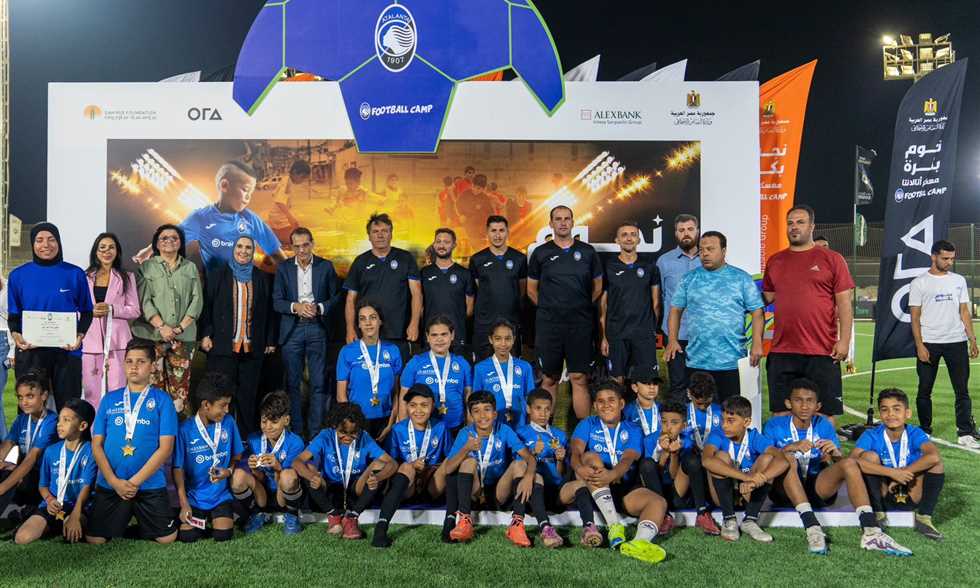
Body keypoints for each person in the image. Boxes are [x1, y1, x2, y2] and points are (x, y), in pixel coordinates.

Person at [764, 378, 912, 556]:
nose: (804, 406)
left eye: (810, 401)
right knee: (787, 458)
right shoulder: (774, 425)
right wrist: (790, 447)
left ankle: (871, 531)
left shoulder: (823, 425)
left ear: (818, 406)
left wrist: (835, 453)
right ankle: (812, 528)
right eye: (798, 400)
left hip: (817, 487)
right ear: (788, 403)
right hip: (783, 491)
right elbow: (765, 459)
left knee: (849, 463)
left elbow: (840, 462)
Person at [763, 205, 854, 422]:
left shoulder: (832, 259)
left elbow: (844, 304)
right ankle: (784, 446)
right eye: (790, 223)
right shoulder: (775, 261)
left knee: (825, 412)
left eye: (800, 222)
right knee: (781, 412)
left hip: (822, 349)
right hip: (783, 350)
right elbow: (766, 297)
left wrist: (844, 341)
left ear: (812, 226)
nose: (794, 227)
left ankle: (824, 447)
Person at [86, 340, 179, 544]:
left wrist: (134, 483)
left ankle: (135, 518)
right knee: (95, 540)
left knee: (167, 538)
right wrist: (114, 482)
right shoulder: (109, 400)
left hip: (148, 484)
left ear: (152, 366)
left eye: (141, 361)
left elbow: (166, 449)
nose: (134, 367)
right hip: (112, 483)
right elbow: (96, 445)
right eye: (129, 361)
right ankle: (120, 515)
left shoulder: (163, 400)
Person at [568, 381, 668, 564]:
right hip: (595, 487)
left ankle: (639, 543)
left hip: (624, 489)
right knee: (590, 457)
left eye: (611, 400)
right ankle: (614, 526)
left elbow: (628, 458)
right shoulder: (587, 424)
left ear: (621, 404)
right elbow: (575, 452)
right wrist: (580, 468)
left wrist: (612, 475)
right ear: (595, 406)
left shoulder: (633, 429)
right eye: (601, 401)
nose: (606, 405)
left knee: (658, 502)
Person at [133, 160, 286, 274]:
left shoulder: (251, 219)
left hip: (244, 288)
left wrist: (291, 277)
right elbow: (172, 237)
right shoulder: (201, 218)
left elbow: (276, 253)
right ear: (224, 186)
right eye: (245, 190)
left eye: (251, 193)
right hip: (215, 289)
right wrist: (148, 251)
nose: (248, 197)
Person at [664, 231, 764, 402]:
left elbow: (757, 312)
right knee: (699, 411)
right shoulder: (689, 279)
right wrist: (672, 339)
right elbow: (675, 310)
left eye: (710, 249)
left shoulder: (741, 278)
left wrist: (757, 343)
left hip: (732, 362)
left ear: (724, 251)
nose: (705, 254)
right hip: (697, 361)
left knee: (731, 411)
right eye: (701, 250)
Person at [528, 206, 603, 419]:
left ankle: (582, 433)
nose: (563, 222)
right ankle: (544, 432)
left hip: (579, 325)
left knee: (579, 377)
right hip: (549, 326)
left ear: (573, 222)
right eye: (558, 219)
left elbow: (598, 285)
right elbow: (531, 289)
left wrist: (580, 306)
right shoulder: (541, 253)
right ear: (550, 223)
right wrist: (550, 309)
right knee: (549, 378)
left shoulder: (587, 252)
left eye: (567, 218)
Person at [8, 223, 93, 411]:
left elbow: (87, 312)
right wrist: (17, 336)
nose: (45, 245)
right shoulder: (18, 276)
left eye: (51, 239)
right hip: (31, 353)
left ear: (58, 242)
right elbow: (14, 316)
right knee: (30, 408)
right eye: (39, 240)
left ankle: (69, 432)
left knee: (69, 409)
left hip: (67, 352)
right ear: (32, 244)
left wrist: (79, 335)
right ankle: (30, 433)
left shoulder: (75, 274)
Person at [200, 235, 277, 438]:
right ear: (233, 249)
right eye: (240, 246)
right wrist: (206, 334)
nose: (243, 251)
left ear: (253, 252)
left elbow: (269, 311)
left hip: (252, 348)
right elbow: (207, 307)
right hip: (222, 347)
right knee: (221, 396)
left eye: (248, 248)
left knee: (248, 397)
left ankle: (244, 440)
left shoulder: (262, 277)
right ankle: (219, 438)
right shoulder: (217, 275)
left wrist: (269, 339)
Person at [443, 391, 538, 547]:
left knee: (519, 464)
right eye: (476, 411)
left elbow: (530, 458)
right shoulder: (465, 433)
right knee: (469, 462)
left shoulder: (504, 430)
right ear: (471, 416)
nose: (482, 415)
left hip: (497, 493)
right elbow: (448, 469)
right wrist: (466, 448)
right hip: (473, 493)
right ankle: (465, 521)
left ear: (495, 413)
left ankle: (517, 525)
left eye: (487, 410)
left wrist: (528, 477)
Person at [909, 239, 980, 447]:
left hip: (956, 342)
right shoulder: (919, 282)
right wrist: (920, 345)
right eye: (945, 258)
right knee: (924, 390)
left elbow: (964, 311)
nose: (949, 262)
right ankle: (925, 430)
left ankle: (965, 432)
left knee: (962, 390)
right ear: (933, 257)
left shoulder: (958, 280)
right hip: (929, 343)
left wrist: (972, 339)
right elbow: (915, 317)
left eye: (952, 258)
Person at [853, 388, 946, 541]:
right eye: (885, 410)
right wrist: (892, 473)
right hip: (882, 494)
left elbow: (934, 456)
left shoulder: (915, 433)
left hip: (910, 493)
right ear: (880, 414)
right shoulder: (871, 434)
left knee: (936, 464)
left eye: (896, 409)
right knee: (868, 457)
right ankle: (877, 513)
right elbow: (852, 462)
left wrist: (902, 473)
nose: (890, 414)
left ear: (907, 413)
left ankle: (924, 517)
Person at [293, 402, 396, 540]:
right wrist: (311, 477)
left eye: (353, 433)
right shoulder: (325, 435)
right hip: (328, 489)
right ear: (334, 426)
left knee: (379, 465)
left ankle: (352, 517)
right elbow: (297, 461)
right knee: (309, 467)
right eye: (343, 432)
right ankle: (333, 515)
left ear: (359, 428)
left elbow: (392, 463)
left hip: (355, 489)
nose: (347, 437)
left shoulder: (364, 437)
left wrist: (378, 478)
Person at [130, 224, 203, 415]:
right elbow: (144, 301)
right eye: (164, 238)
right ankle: (153, 429)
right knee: (152, 389)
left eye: (174, 238)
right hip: (152, 336)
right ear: (156, 243)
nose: (169, 241)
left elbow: (197, 300)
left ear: (180, 243)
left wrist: (179, 328)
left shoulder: (190, 267)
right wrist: (162, 327)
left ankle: (175, 430)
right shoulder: (146, 267)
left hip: (183, 337)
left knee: (180, 392)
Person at [273, 227, 339, 437]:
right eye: (297, 246)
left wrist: (319, 308)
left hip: (317, 328)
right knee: (292, 384)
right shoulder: (283, 268)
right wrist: (296, 307)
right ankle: (296, 433)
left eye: (305, 245)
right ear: (291, 247)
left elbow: (336, 298)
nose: (301, 250)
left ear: (312, 244)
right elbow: (277, 301)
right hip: (292, 329)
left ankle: (315, 434)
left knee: (318, 384)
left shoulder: (325, 266)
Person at [372, 384, 451, 547]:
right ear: (407, 407)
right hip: (406, 486)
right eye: (413, 405)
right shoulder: (398, 430)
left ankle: (450, 524)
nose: (418, 410)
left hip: (431, 485)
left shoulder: (441, 427)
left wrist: (432, 468)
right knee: (406, 467)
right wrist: (412, 465)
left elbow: (450, 459)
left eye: (424, 405)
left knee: (448, 464)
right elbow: (390, 463)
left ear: (432, 406)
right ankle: (381, 530)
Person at [702, 396, 788, 543]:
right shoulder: (717, 434)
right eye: (723, 420)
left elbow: (782, 460)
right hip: (723, 494)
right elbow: (706, 461)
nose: (724, 425)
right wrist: (746, 477)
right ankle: (729, 519)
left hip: (748, 492)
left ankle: (750, 520)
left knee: (768, 458)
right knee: (721, 457)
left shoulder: (754, 436)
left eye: (730, 421)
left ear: (746, 422)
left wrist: (757, 480)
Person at [14, 398, 97, 545]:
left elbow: (86, 487)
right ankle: (51, 523)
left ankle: (65, 523)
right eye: (59, 420)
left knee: (72, 536)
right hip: (53, 504)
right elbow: (43, 485)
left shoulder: (91, 451)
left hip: (79, 506)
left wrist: (75, 515)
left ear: (83, 425)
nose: (59, 424)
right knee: (22, 538)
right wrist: (50, 500)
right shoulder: (51, 451)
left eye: (66, 420)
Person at [174, 372, 245, 543]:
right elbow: (178, 468)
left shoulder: (228, 422)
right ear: (206, 404)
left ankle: (223, 516)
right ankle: (204, 521)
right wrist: (184, 503)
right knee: (187, 536)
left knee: (223, 535)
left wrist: (229, 471)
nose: (227, 410)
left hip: (221, 496)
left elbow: (237, 455)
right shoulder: (184, 430)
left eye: (228, 405)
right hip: (195, 497)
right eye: (223, 405)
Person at [344, 213, 422, 363]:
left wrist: (414, 324)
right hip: (368, 332)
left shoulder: (405, 258)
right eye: (375, 231)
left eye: (384, 231)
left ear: (391, 233)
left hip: (399, 331)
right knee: (371, 372)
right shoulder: (360, 261)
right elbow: (350, 299)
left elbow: (416, 294)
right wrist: (350, 329)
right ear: (369, 236)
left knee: (399, 373)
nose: (380, 235)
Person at [233, 391, 306, 536]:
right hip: (262, 493)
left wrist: (278, 467)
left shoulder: (295, 442)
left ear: (286, 420)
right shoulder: (253, 440)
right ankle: (256, 514)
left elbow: (289, 479)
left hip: (283, 493)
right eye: (264, 421)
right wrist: (254, 469)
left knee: (287, 475)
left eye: (274, 421)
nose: (268, 426)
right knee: (238, 476)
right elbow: (259, 479)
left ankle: (292, 515)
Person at [82, 233, 140, 410]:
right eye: (102, 247)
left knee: (118, 390)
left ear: (117, 251)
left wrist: (112, 309)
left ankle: (116, 426)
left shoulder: (126, 277)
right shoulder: (84, 277)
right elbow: (76, 308)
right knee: (91, 392)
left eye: (111, 247)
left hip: (118, 343)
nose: (107, 251)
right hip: (89, 343)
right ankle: (94, 427)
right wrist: (89, 312)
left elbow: (135, 310)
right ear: (96, 251)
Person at [601, 221, 661, 382]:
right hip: (616, 334)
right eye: (624, 235)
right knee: (617, 381)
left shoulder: (649, 266)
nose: (629, 238)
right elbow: (603, 306)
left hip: (643, 334)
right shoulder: (608, 267)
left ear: (639, 239)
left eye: (633, 235)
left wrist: (650, 329)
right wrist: (604, 336)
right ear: (617, 240)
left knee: (645, 382)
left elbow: (656, 303)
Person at [337, 300, 403, 439]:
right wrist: (351, 425)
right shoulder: (347, 351)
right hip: (356, 421)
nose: (368, 323)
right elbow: (341, 396)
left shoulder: (393, 350)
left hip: (386, 420)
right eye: (363, 319)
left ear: (380, 321)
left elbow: (396, 392)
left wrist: (391, 423)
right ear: (358, 324)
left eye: (373, 317)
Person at [399, 315, 472, 436]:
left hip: (455, 427)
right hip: (424, 428)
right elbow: (403, 399)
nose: (439, 339)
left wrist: (470, 428)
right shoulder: (415, 363)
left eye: (444, 334)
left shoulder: (462, 363)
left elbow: (468, 398)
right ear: (427, 337)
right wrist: (403, 430)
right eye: (434, 335)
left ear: (452, 335)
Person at [515, 388, 568, 549]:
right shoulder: (520, 433)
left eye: (547, 409)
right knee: (535, 477)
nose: (543, 414)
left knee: (578, 486)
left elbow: (560, 474)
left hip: (553, 491)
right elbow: (518, 468)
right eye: (538, 408)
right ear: (528, 409)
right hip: (529, 492)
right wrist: (533, 453)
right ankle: (544, 527)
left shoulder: (560, 435)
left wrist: (560, 460)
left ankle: (590, 528)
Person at [656, 214, 701, 400]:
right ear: (675, 233)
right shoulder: (664, 261)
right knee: (678, 385)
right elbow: (659, 297)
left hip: (703, 334)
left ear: (697, 231)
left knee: (702, 387)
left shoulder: (708, 259)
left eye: (690, 229)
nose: (686, 234)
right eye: (681, 230)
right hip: (675, 335)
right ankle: (677, 419)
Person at [469, 215, 527, 360]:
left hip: (511, 321)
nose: (497, 235)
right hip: (485, 323)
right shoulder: (477, 259)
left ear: (507, 232)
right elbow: (478, 289)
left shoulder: (519, 258)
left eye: (501, 230)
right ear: (487, 233)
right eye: (493, 230)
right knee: (484, 366)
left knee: (510, 366)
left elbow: (522, 289)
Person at [0, 372, 59, 515]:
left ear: (44, 396)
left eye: (30, 396)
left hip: (46, 478)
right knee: (5, 468)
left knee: (10, 477)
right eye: (20, 397)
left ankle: (24, 508)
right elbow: (5, 447)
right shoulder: (22, 419)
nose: (24, 402)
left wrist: (2, 488)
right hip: (28, 473)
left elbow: (31, 459)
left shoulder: (51, 421)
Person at [472, 319, 535, 428]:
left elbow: (531, 398)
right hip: (492, 426)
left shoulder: (525, 367)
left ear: (514, 339)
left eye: (507, 338)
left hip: (520, 424)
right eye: (498, 339)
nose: (503, 343)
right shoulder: (480, 368)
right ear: (490, 339)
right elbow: (476, 401)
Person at [682, 371, 723, 535]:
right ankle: (701, 512)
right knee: (693, 460)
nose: (703, 407)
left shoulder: (721, 412)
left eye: (707, 402)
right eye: (699, 403)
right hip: (687, 467)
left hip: (712, 464)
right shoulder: (681, 412)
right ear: (689, 394)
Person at [420, 228, 474, 352]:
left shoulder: (464, 273)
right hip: (431, 337)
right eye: (438, 241)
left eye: (446, 242)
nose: (441, 245)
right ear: (434, 245)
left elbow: (469, 308)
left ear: (454, 245)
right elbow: (419, 305)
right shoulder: (424, 273)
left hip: (457, 336)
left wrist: (454, 320)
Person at [267, 160, 310, 246]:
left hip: (277, 219)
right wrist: (290, 217)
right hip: (279, 220)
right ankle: (278, 236)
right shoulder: (286, 183)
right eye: (302, 177)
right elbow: (279, 201)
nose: (302, 181)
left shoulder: (286, 180)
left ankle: (278, 236)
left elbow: (275, 195)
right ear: (294, 172)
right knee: (300, 239)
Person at [0, 276, 12, 437]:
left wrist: (13, 350)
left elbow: (12, 319)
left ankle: (4, 442)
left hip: (2, 338)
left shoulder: (7, 289)